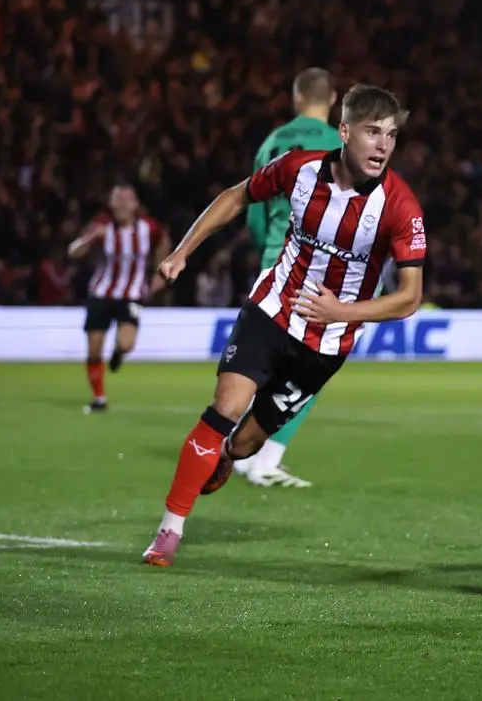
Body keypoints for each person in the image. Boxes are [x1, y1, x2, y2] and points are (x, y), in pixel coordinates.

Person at [141, 84, 426, 567]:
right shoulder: (299, 169)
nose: (383, 146)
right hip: (273, 309)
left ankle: (226, 457)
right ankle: (169, 529)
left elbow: (410, 297)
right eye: (372, 132)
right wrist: (181, 252)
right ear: (344, 131)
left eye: (392, 135)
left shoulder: (400, 206)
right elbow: (236, 196)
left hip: (325, 344)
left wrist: (343, 313)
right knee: (225, 406)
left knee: (245, 444)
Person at [233, 67, 343, 489]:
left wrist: (268, 252)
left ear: (297, 98)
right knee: (311, 368)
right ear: (332, 99)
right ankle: (264, 460)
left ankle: (241, 449)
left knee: (261, 364)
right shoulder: (341, 143)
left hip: (273, 265)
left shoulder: (272, 143)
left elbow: (254, 211)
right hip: (318, 271)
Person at [67, 184, 168, 413]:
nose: (122, 203)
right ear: (111, 204)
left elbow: (164, 242)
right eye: (118, 199)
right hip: (101, 293)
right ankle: (99, 398)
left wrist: (160, 273)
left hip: (133, 295)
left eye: (126, 199)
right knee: (94, 350)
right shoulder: (101, 226)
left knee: (126, 344)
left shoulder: (148, 227)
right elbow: (73, 251)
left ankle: (118, 353)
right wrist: (91, 238)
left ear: (135, 204)